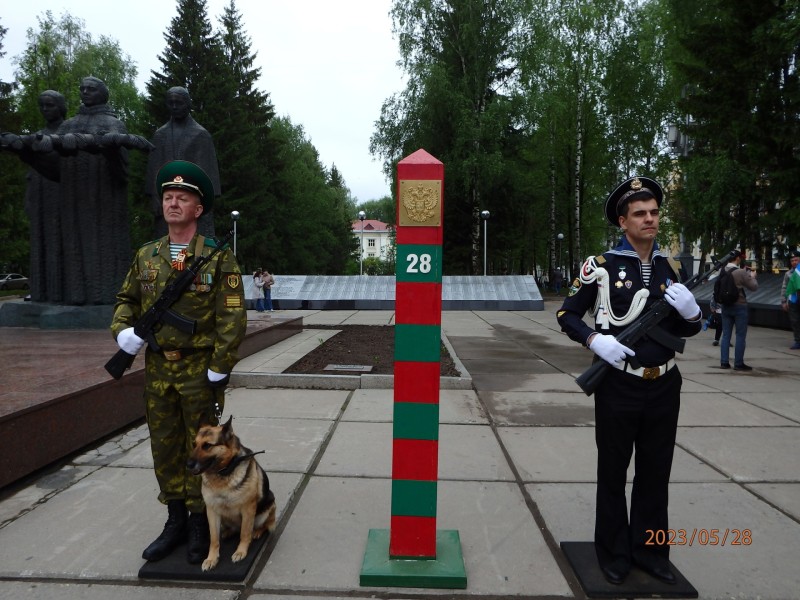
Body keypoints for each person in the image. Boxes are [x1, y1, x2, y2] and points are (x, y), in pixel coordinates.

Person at [557, 176, 702, 586]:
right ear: (623, 221)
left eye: (654, 212)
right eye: (640, 213)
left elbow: (688, 331)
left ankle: (653, 553)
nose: (650, 219)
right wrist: (594, 340)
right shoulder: (600, 267)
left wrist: (692, 314)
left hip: (664, 385)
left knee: (656, 473)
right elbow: (567, 314)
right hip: (619, 385)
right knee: (613, 472)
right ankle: (614, 554)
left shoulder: (671, 267)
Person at [110, 160, 246, 564]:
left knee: (202, 450)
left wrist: (219, 366)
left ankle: (201, 523)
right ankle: (174, 520)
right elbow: (126, 302)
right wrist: (123, 333)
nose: (173, 203)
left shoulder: (217, 258)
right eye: (168, 197)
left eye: (182, 198)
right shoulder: (146, 256)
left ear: (197, 209)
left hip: (198, 370)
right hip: (158, 369)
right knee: (164, 446)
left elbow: (232, 316)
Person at [146, 86, 221, 238]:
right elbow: (153, 170)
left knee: (197, 248)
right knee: (165, 248)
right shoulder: (160, 135)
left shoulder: (201, 135)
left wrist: (204, 204)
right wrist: (155, 198)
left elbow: (210, 178)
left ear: (188, 104)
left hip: (193, 204)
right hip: (167, 204)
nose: (174, 106)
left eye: (178, 102)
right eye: (170, 102)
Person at [23, 91, 67, 302]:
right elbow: (31, 173)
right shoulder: (37, 135)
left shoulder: (67, 132)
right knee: (40, 243)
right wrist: (29, 199)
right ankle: (40, 291)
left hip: (61, 196)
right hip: (40, 196)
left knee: (61, 242)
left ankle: (63, 290)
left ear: (60, 106)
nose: (45, 109)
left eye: (50, 105)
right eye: (42, 106)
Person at [719, 251, 758, 370]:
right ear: (737, 259)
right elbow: (753, 287)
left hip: (725, 306)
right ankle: (738, 363)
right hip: (739, 306)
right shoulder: (741, 272)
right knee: (740, 336)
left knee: (726, 335)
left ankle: (724, 362)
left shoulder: (723, 271)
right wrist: (752, 277)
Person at [780, 250, 800, 350]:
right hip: (793, 300)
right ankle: (797, 341)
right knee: (795, 321)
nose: (794, 262)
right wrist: (783, 301)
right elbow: (784, 287)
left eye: (796, 260)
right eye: (792, 261)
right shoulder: (788, 274)